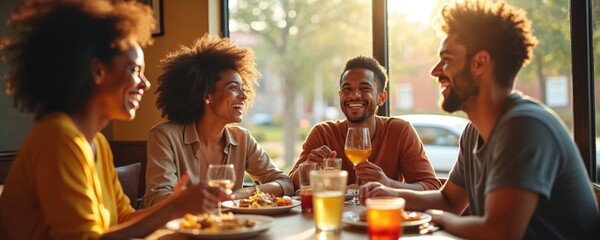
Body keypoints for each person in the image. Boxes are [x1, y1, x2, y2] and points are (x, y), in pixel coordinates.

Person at [360, 0, 599, 239]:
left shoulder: (524, 126)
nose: (435, 71)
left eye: (447, 59)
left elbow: (499, 232)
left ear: (480, 63)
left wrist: (438, 218)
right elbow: (449, 199)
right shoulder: (474, 132)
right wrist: (389, 193)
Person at [0, 1, 231, 239]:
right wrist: (174, 208)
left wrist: (176, 203)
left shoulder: (97, 143)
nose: (145, 83)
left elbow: (123, 219)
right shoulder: (59, 137)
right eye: (134, 70)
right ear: (98, 71)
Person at [143, 34, 294, 207]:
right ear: (206, 94)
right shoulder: (165, 136)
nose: (244, 96)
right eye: (233, 88)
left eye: (243, 88)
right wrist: (196, 199)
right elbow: (156, 199)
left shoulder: (241, 138)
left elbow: (285, 182)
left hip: (225, 229)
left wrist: (247, 192)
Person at [288, 55, 441, 191]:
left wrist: (388, 184)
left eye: (364, 88)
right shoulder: (323, 133)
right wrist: (308, 167)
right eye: (347, 89)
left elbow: (431, 186)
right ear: (340, 96)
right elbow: (291, 185)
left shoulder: (400, 131)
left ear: (381, 98)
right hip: (333, 217)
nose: (354, 95)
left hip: (381, 217)